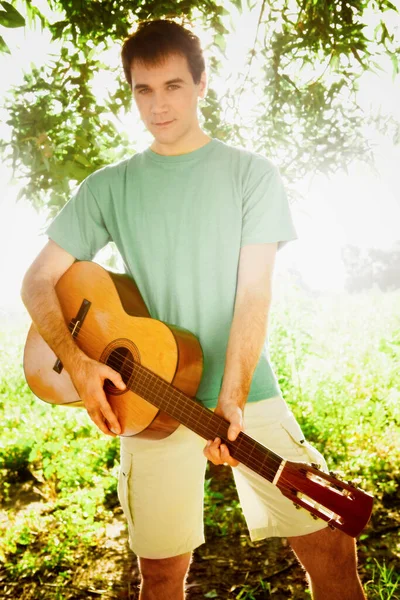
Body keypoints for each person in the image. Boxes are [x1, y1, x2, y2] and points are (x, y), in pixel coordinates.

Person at [21, 19, 366, 600]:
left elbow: (254, 294)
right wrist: (79, 366)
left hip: (246, 391)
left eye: (173, 86)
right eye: (143, 89)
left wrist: (230, 395)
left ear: (202, 84)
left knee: (331, 547)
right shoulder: (109, 187)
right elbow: (38, 280)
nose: (159, 104)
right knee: (158, 575)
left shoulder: (251, 175)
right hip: (147, 399)